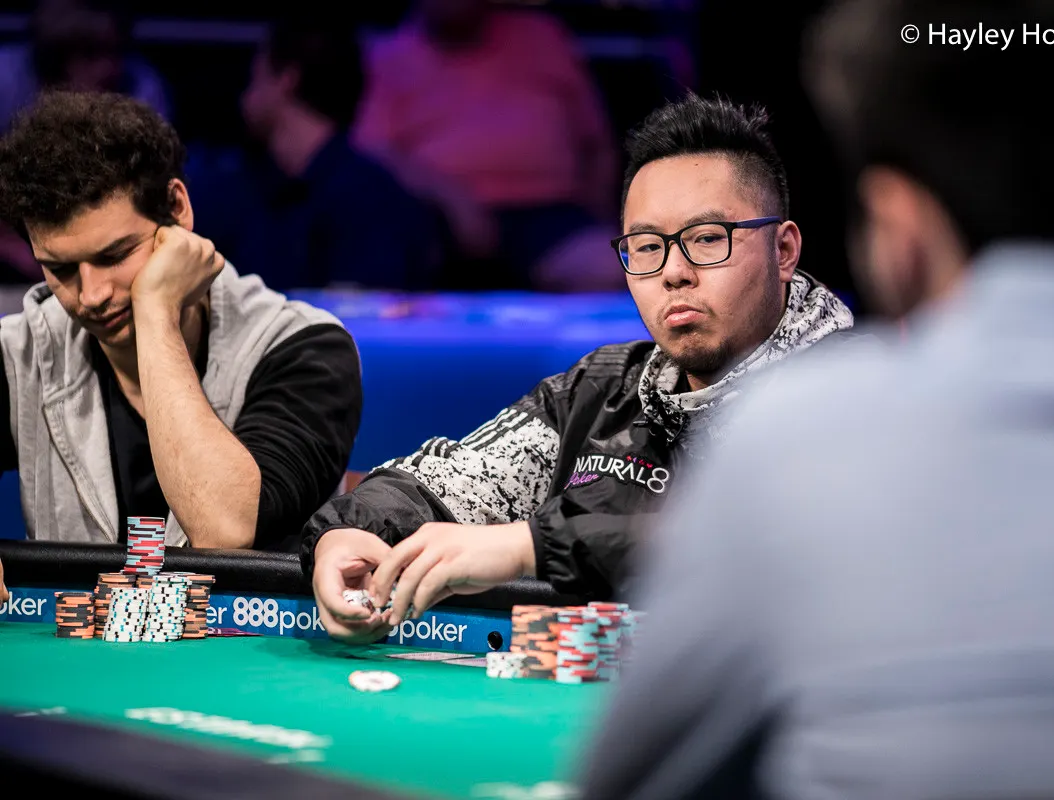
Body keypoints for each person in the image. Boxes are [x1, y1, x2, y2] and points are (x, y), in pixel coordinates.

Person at [580, 1, 1054, 799]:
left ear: (897, 227)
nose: (674, 270)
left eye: (706, 239)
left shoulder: (799, 439)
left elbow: (639, 782)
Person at [300, 92, 856, 641]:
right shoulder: (601, 389)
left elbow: (754, 537)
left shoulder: (853, 393)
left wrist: (530, 545)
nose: (674, 272)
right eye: (646, 246)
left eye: (707, 239)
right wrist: (346, 533)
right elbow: (445, 480)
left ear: (783, 251)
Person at [0, 91, 364, 552]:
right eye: (60, 269)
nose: (91, 295)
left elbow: (223, 530)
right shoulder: (20, 354)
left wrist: (156, 310)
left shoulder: (308, 350)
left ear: (177, 208)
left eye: (115, 256)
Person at [352, 0, 625, 292]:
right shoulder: (391, 54)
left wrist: (600, 213)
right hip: (437, 219)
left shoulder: (542, 36)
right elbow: (373, 152)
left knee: (617, 270)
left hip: (548, 212)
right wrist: (450, 197)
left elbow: (597, 145)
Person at [187, 16, 441, 292]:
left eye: (256, 78)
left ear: (286, 79)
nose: (245, 96)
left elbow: (364, 311)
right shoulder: (237, 186)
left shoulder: (371, 202)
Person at [0, 0, 172, 291]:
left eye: (114, 51)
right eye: (90, 54)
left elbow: (148, 194)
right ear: (56, 56)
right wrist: (24, 254)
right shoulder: (6, 80)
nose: (108, 68)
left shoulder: (140, 87)